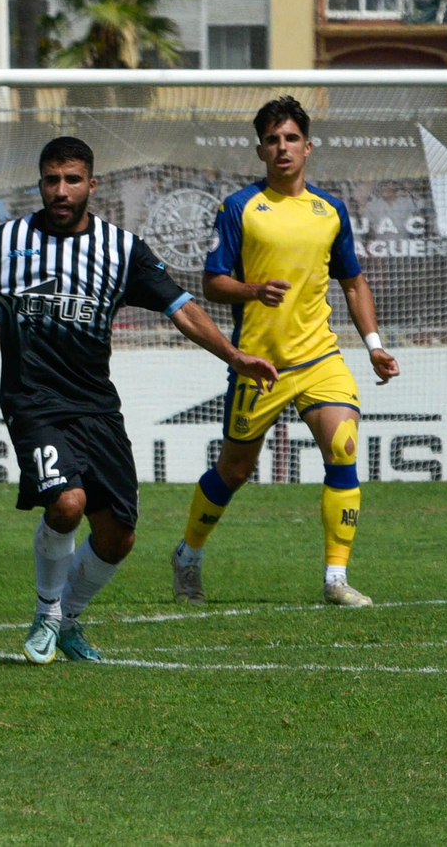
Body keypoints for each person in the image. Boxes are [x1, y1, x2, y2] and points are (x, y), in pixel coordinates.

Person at [0, 136, 277, 664]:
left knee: (118, 538)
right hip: (33, 402)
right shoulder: (6, 244)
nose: (60, 191)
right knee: (67, 504)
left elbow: (180, 308)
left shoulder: (121, 249)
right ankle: (45, 616)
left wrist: (232, 354)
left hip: (96, 407)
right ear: (40, 183)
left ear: (92, 185)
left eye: (71, 180)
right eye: (50, 180)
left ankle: (68, 620)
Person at [171, 96, 400, 607]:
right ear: (260, 150)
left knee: (343, 448)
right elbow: (211, 283)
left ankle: (335, 579)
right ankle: (188, 553)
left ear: (308, 147)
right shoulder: (240, 208)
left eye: (291, 138)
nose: (282, 148)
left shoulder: (330, 211)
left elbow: (354, 283)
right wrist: (252, 291)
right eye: (273, 140)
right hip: (259, 364)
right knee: (233, 471)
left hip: (320, 358)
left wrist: (375, 346)